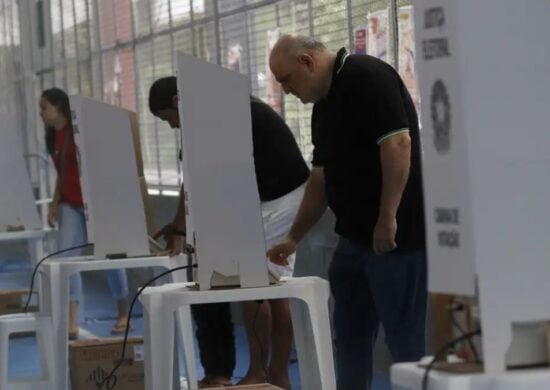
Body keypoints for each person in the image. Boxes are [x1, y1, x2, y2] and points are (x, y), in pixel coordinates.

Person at [267, 35, 427, 390]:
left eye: (286, 79)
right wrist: (294, 236)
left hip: (396, 239)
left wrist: (388, 217)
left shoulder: (366, 76)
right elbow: (320, 179)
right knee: (350, 337)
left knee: (406, 343)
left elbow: (398, 143)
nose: (285, 90)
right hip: (354, 239)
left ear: (307, 62)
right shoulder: (324, 106)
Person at [148, 76, 309, 389]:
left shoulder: (212, 115)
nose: (171, 127)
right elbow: (196, 179)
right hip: (267, 197)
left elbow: (192, 181)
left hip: (281, 197)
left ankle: (265, 373)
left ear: (177, 103)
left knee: (257, 287)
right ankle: (272, 373)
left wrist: (180, 228)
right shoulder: (219, 109)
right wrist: (181, 226)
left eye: (168, 120)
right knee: (264, 288)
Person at [40, 88, 132, 339]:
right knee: (66, 260)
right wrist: (54, 203)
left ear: (59, 107)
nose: (41, 113)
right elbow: (61, 174)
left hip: (96, 203)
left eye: (44, 107)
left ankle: (123, 311)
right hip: (71, 204)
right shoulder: (52, 137)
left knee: (110, 258)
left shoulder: (80, 130)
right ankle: (72, 321)